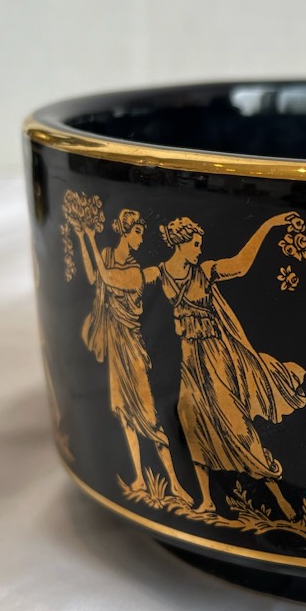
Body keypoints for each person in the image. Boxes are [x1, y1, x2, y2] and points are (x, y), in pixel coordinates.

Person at [148, 213, 306, 520]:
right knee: (191, 422)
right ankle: (207, 500)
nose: (199, 250)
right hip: (190, 360)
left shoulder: (205, 271)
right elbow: (130, 281)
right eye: (195, 244)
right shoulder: (162, 274)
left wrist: (268, 225)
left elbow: (240, 264)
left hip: (217, 359)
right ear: (181, 243)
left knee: (237, 426)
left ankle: (280, 498)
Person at [72, 209, 190, 506]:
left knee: (149, 415)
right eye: (137, 232)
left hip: (131, 346)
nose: (141, 238)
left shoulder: (134, 271)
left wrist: (91, 238)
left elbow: (108, 277)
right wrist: (84, 237)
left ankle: (176, 484)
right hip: (116, 345)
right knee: (125, 414)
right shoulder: (108, 254)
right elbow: (93, 276)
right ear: (125, 232)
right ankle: (139, 477)